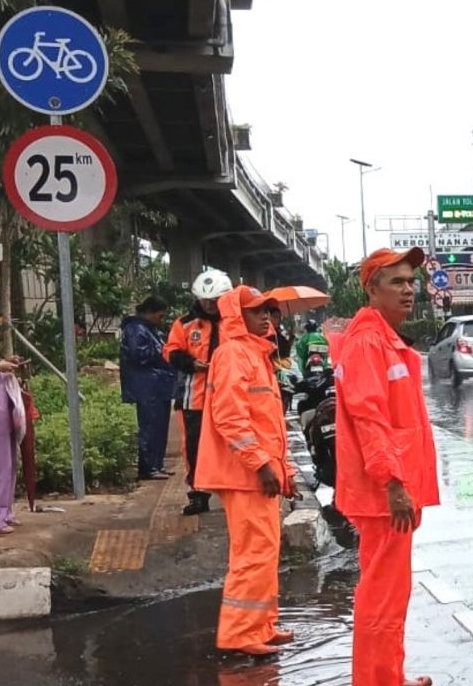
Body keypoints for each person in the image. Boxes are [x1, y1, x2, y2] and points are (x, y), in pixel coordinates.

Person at [336, 247, 439, 686]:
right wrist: (393, 482)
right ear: (372, 289)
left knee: (391, 594)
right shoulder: (367, 342)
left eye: (411, 281)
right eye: (396, 282)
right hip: (384, 494)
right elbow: (368, 417)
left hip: (394, 490)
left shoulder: (385, 340)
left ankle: (387, 676)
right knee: (382, 596)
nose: (408, 290)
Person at [194, 285, 298, 657]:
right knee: (253, 554)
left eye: (269, 311)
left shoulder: (255, 355)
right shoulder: (234, 355)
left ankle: (261, 625)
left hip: (257, 473)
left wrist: (282, 470)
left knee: (264, 551)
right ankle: (239, 634)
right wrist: (261, 466)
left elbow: (268, 424)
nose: (266, 317)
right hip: (245, 475)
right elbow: (231, 419)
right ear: (237, 316)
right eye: (257, 311)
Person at [164, 269, 234, 515]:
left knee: (233, 445)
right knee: (194, 448)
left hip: (230, 397)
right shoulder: (185, 324)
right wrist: (191, 363)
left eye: (215, 300)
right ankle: (198, 494)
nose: (210, 305)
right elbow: (171, 351)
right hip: (194, 398)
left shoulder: (236, 323)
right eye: (206, 301)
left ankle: (233, 492)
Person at [121, 296, 176, 480]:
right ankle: (148, 467)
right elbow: (138, 355)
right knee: (150, 427)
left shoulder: (147, 329)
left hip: (157, 385)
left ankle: (156, 464)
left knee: (159, 427)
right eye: (159, 316)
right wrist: (162, 351)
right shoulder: (136, 329)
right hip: (147, 386)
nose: (161, 321)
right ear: (149, 313)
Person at [0, 356, 28, 534]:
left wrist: (6, 362)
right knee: (1, 468)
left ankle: (5, 511)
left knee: (9, 466)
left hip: (5, 413)